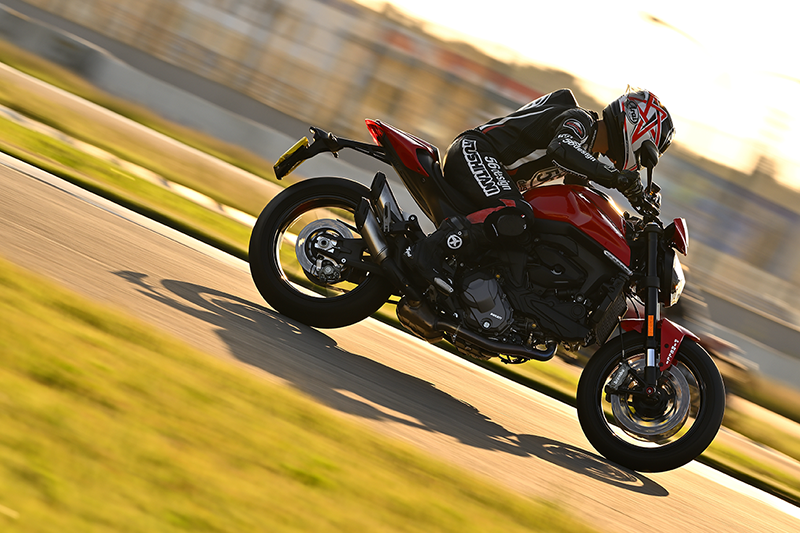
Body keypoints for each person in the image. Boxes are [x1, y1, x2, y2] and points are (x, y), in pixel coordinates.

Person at [404, 88, 676, 293]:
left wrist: (628, 218)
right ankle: (427, 252)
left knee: (528, 228)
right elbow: (562, 148)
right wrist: (616, 178)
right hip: (475, 150)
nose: (644, 160)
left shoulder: (586, 151)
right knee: (516, 214)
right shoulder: (581, 121)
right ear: (639, 128)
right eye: (652, 148)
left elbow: (585, 196)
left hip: (485, 163)